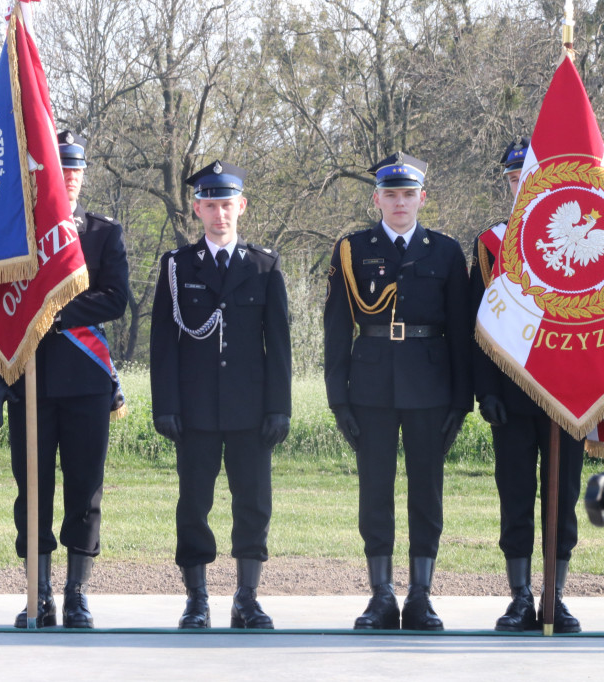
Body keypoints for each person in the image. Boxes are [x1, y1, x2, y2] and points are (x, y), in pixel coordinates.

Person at [0, 131, 130, 629]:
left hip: (88, 383)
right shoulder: (17, 235)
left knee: (85, 490)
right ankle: (38, 593)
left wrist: (54, 310)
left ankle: (76, 594)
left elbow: (115, 299)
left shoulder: (103, 233)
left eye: (74, 172)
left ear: (83, 176)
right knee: (33, 492)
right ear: (38, 175)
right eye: (57, 170)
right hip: (29, 380)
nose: (66, 179)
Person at [323, 152, 471, 631]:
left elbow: (461, 332)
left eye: (409, 194)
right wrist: (338, 399)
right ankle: (382, 595)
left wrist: (460, 400)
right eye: (391, 194)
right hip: (370, 387)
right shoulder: (352, 249)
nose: (400, 202)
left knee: (426, 493)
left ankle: (421, 596)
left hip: (430, 386)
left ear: (422, 198)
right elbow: (336, 329)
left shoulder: (445, 252)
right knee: (375, 493)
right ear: (377, 199)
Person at [149, 160, 292, 629]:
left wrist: (279, 407)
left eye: (227, 204)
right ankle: (196, 599)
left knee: (253, 503)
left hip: (250, 410)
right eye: (210, 205)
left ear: (241, 206)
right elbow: (163, 344)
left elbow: (279, 346)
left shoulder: (264, 266)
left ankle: (247, 598)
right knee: (193, 503)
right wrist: (165, 404)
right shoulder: (176, 267)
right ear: (196, 209)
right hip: (194, 410)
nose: (219, 214)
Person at [470, 137, 583, 633]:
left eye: (528, 179)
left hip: (570, 397)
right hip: (511, 395)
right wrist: (486, 390)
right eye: (514, 181)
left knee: (566, 498)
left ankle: (555, 597)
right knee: (515, 494)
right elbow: (476, 324)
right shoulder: (492, 243)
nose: (520, 188)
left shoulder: (583, 247)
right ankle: (519, 597)